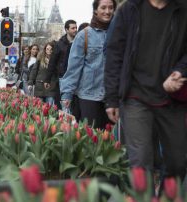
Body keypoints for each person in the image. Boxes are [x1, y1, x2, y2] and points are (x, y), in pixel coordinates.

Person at [104, 0, 187, 186]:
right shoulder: (130, 9)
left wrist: (181, 70)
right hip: (135, 97)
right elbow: (114, 54)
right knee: (140, 163)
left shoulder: (182, 9)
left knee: (178, 163)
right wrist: (111, 99)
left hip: (171, 100)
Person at [60, 0, 116, 129]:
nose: (107, 11)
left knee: (109, 143)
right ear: (96, 10)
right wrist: (67, 94)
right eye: (103, 7)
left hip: (113, 97)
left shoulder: (120, 33)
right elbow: (74, 68)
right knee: (91, 140)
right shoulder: (84, 35)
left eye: (110, 8)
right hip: (89, 95)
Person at [44, 20, 78, 109]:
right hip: (63, 79)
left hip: (76, 79)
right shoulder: (60, 44)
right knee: (63, 107)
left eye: (76, 28)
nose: (75, 30)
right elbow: (52, 62)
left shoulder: (79, 42)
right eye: (73, 28)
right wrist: (47, 79)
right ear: (67, 30)